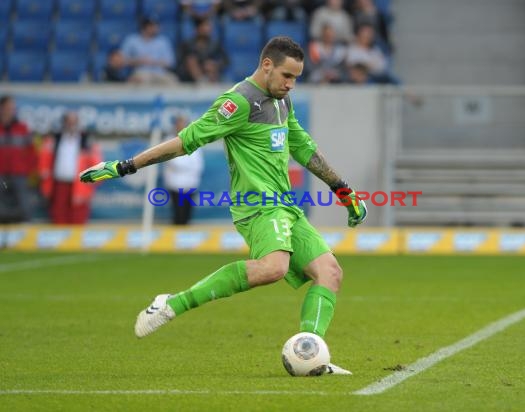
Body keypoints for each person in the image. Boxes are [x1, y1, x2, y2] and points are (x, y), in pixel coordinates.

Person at [79, 37, 367, 375]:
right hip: (257, 205)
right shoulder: (239, 102)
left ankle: (311, 353)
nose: (291, 84)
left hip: (285, 206)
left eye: (296, 78)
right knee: (273, 267)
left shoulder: (282, 102)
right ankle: (172, 303)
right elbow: (186, 141)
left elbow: (303, 147)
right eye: (287, 76)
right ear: (267, 65)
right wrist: (127, 165)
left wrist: (341, 188)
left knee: (330, 272)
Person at [39, 112, 101, 224]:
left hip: (80, 185)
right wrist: (45, 178)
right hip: (58, 184)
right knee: (58, 214)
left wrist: (94, 181)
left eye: (74, 122)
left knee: (78, 216)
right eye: (68, 122)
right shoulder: (55, 140)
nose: (71, 125)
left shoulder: (86, 141)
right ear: (64, 123)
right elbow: (44, 160)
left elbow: (97, 163)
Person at [0, 95, 37, 222]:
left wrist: (27, 169)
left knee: (24, 203)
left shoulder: (22, 128)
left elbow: (32, 152)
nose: (11, 110)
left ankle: (25, 232)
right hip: (1, 175)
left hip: (19, 174)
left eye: (13, 107)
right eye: (8, 107)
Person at [163, 115, 205, 225]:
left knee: (187, 215)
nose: (181, 126)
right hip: (175, 185)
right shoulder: (169, 141)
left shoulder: (194, 140)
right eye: (178, 124)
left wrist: (187, 168)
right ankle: (176, 238)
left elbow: (198, 165)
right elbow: (174, 163)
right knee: (178, 214)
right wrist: (188, 167)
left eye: (183, 124)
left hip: (191, 185)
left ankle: (184, 239)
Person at [120, 17, 178, 85]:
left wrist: (154, 62)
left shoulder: (163, 41)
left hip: (160, 73)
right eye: (152, 26)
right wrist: (139, 61)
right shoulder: (132, 40)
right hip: (140, 72)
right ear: (145, 27)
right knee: (140, 80)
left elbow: (170, 62)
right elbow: (122, 60)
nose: (156, 28)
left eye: (156, 26)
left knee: (173, 80)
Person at [177, 17, 228, 83]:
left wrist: (215, 64)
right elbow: (181, 62)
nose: (209, 29)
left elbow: (226, 60)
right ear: (198, 28)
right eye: (205, 26)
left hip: (208, 72)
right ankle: (201, 81)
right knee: (191, 60)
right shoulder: (187, 44)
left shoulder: (215, 44)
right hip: (189, 74)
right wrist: (201, 65)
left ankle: (209, 85)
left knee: (210, 65)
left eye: (209, 26)